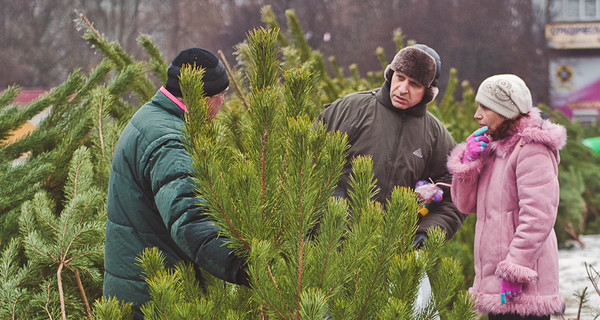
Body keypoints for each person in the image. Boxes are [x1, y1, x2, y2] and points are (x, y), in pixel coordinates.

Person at [104, 48, 248, 319]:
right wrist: (254, 267)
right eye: (222, 96)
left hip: (142, 292)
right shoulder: (168, 142)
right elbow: (191, 222)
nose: (222, 106)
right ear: (203, 98)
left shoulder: (152, 118)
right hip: (155, 300)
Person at [316, 44, 465, 246]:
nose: (403, 89)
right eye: (400, 77)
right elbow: (303, 161)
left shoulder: (435, 136)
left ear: (428, 92)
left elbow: (458, 196)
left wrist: (426, 233)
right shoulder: (350, 110)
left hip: (387, 260)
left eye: (414, 84)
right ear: (390, 74)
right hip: (327, 249)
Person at [447, 74, 566, 319]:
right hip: (494, 283)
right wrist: (469, 163)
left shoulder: (531, 149)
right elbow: (465, 204)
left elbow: (539, 217)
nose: (476, 115)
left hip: (524, 285)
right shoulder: (492, 149)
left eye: (485, 108)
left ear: (506, 111)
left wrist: (516, 270)